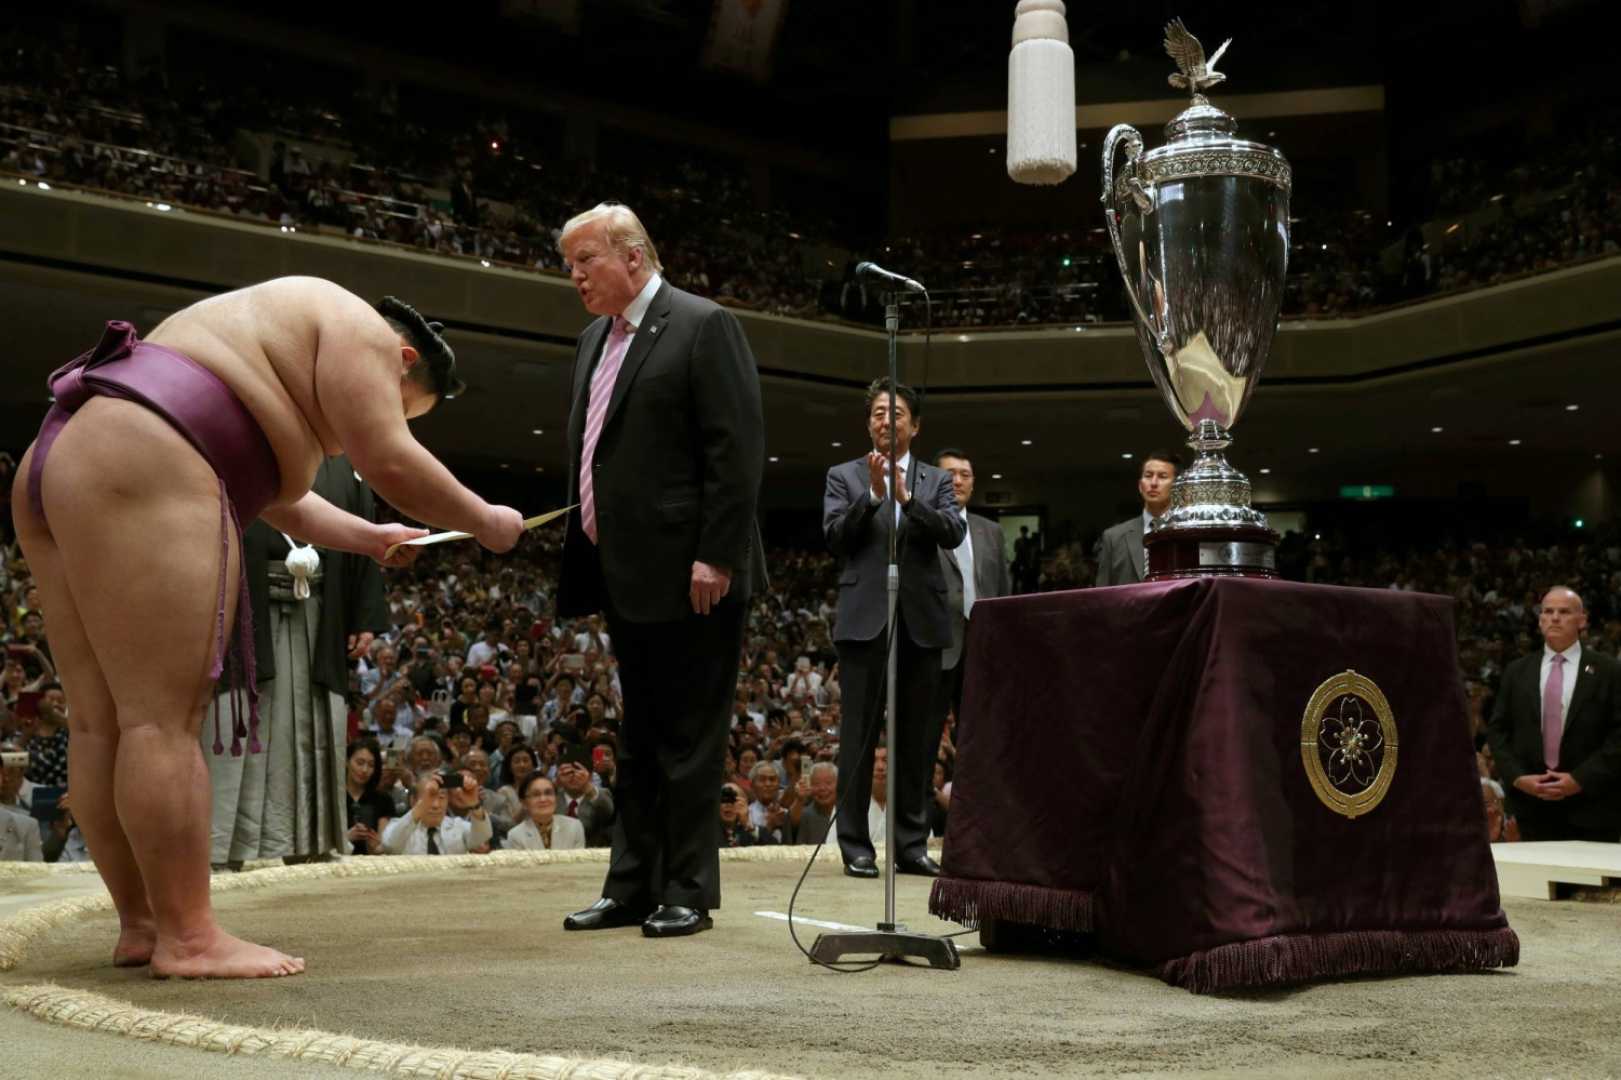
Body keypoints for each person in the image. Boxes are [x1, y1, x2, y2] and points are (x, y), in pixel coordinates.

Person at [10, 278, 525, 978]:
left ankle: (144, 923)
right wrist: (486, 519)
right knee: (160, 722)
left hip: (67, 451)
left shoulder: (264, 346)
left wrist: (373, 537)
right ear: (403, 360)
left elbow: (292, 506)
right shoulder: (362, 331)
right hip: (146, 450)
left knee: (104, 723)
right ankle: (188, 940)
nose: (367, 426)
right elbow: (389, 459)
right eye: (405, 407)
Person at [554, 203, 765, 940]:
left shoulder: (702, 325)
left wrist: (717, 554)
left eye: (585, 260)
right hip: (625, 571)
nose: (574, 275)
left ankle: (686, 889)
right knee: (639, 737)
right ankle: (631, 886)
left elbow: (733, 452)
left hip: (693, 574)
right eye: (569, 264)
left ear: (633, 257)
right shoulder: (591, 341)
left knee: (688, 740)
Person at [205, 455, 391, 867]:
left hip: (320, 613)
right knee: (236, 718)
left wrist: (362, 616)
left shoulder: (344, 464)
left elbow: (363, 537)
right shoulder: (234, 442)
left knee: (314, 728)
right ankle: (221, 850)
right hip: (241, 608)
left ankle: (311, 842)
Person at [823, 378, 964, 879]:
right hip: (865, 620)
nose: (887, 421)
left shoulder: (935, 481)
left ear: (915, 425)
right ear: (869, 424)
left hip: (921, 621)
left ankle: (910, 844)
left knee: (919, 740)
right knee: (858, 737)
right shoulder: (844, 475)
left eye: (897, 413)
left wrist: (907, 499)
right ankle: (856, 845)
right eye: (879, 413)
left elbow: (953, 531)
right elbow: (835, 538)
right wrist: (873, 496)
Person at [1485, 586, 1621, 842]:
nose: (1555, 617)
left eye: (1564, 612)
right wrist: (1518, 777)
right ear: (1539, 620)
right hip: (1530, 806)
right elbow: (1498, 731)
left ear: (1582, 620)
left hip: (1593, 805)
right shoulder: (1517, 671)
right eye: (1548, 611)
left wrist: (1580, 779)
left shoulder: (1609, 671)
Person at [930, 447, 1013, 770]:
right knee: (926, 738)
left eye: (965, 475)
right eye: (950, 474)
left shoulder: (990, 531)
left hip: (983, 646)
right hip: (938, 645)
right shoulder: (922, 524)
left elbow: (1002, 593)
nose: (958, 481)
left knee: (981, 738)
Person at [1095, 451, 1180, 586]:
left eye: (1162, 476)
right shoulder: (1113, 537)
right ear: (1140, 486)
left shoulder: (1187, 532)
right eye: (1148, 476)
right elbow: (1102, 592)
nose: (1153, 483)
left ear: (1176, 486)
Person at [380, 771, 492, 855]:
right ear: (413, 800)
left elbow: (482, 837)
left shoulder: (457, 826)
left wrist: (475, 805)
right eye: (429, 797)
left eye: (442, 797)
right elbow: (390, 845)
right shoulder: (397, 825)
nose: (436, 805)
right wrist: (422, 806)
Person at [506, 772, 587, 851]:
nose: (543, 799)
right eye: (536, 794)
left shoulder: (574, 827)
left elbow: (579, 863)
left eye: (548, 793)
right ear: (524, 802)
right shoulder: (515, 836)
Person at [342, 739, 394, 856]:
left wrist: (376, 846)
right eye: (360, 763)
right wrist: (346, 837)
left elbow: (384, 844)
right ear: (346, 761)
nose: (365, 770)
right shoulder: (334, 797)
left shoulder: (383, 799)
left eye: (371, 765)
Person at [789, 761, 838, 845]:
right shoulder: (804, 815)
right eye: (816, 784)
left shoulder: (849, 815)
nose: (822, 788)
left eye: (828, 783)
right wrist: (799, 799)